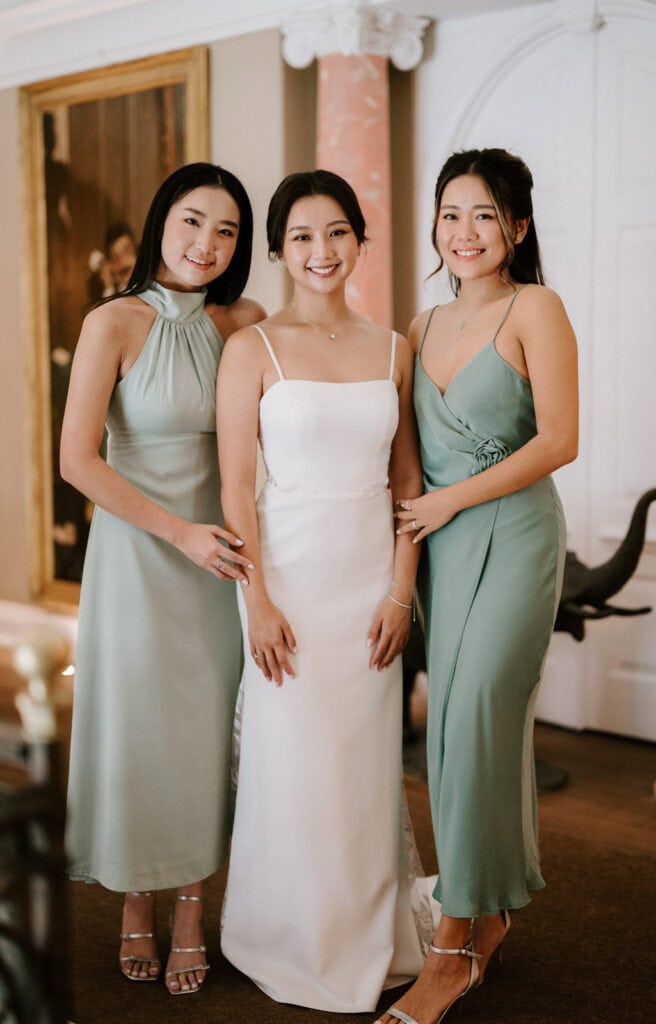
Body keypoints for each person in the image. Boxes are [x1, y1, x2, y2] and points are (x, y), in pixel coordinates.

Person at [217, 170, 433, 1013]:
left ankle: (366, 933)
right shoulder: (253, 350)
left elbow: (405, 479)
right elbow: (238, 490)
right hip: (289, 585)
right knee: (294, 765)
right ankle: (283, 935)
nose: (321, 251)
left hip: (368, 587)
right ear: (278, 250)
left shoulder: (391, 348)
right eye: (302, 236)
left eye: (337, 232)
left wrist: (399, 592)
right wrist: (256, 601)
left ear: (359, 242)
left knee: (363, 768)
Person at [381, 148, 579, 1024]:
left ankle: (453, 945)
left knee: (475, 720)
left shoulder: (536, 307)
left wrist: (447, 501)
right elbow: (405, 462)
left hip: (515, 532)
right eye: (451, 213)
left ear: (518, 229)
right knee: (454, 738)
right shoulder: (419, 329)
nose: (464, 232)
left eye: (485, 215)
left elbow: (558, 441)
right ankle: (489, 905)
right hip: (444, 551)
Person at [62, 162, 265, 996]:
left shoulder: (243, 322)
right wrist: (178, 531)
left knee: (206, 731)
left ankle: (190, 907)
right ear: (159, 222)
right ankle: (135, 900)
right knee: (144, 727)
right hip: (143, 558)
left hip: (222, 559)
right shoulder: (114, 321)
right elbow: (78, 460)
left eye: (226, 230)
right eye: (191, 221)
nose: (206, 244)